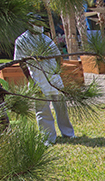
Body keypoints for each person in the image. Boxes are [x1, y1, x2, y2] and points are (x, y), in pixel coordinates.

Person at [14, 14, 75, 144]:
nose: (40, 27)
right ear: (30, 24)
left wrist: (57, 70)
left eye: (42, 24)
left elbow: (58, 56)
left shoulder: (46, 39)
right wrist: (31, 80)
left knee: (61, 108)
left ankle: (68, 133)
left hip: (54, 79)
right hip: (38, 79)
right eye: (38, 24)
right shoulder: (22, 41)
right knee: (43, 111)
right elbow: (22, 63)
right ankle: (48, 138)